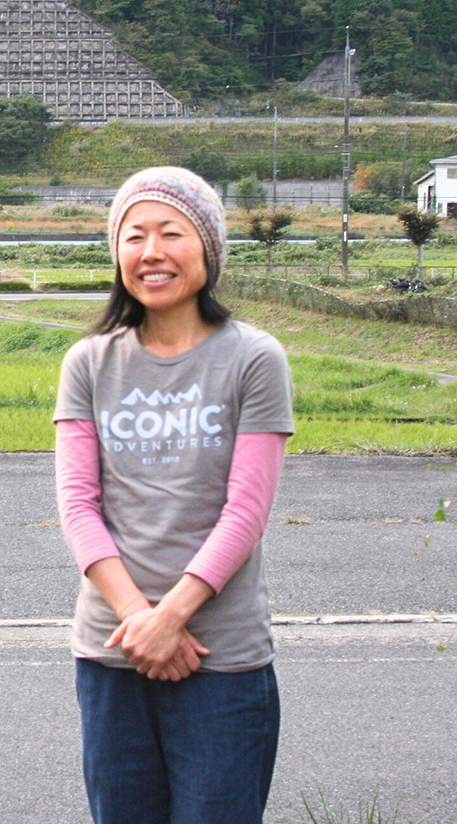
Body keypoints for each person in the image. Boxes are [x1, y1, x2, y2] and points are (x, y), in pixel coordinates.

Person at [54, 166, 294, 824]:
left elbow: (245, 509)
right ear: (117, 253)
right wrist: (142, 621)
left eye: (171, 233)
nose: (151, 251)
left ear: (208, 248)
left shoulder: (254, 359)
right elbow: (78, 505)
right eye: (135, 236)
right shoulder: (90, 361)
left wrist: (173, 617)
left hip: (221, 655)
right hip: (112, 651)